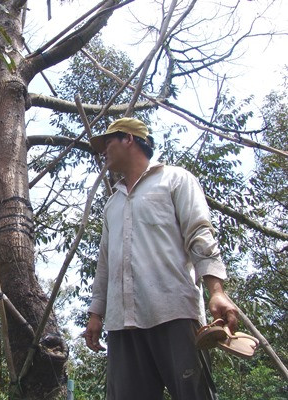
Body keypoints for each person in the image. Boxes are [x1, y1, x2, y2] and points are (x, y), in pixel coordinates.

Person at [84, 118, 238, 400]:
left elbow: (199, 234)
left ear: (129, 138)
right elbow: (105, 263)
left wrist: (217, 291)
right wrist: (96, 314)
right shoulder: (112, 205)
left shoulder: (175, 180)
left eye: (108, 142)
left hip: (174, 313)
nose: (103, 151)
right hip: (122, 324)